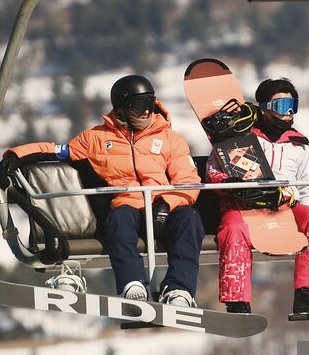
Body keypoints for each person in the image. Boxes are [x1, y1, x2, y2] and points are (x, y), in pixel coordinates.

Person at [15, 74, 204, 307]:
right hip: (128, 205)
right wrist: (14, 156)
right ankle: (132, 283)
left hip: (163, 207)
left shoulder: (170, 139)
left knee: (190, 220)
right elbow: (57, 150)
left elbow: (188, 180)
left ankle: (179, 290)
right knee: (118, 219)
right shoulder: (97, 138)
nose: (147, 112)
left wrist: (167, 203)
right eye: (139, 105)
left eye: (150, 104)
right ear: (123, 108)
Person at [205, 78, 309, 316]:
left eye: (292, 105)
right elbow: (212, 171)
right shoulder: (240, 138)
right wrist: (228, 184)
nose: (287, 113)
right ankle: (237, 301)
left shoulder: (298, 143)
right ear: (264, 108)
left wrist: (298, 202)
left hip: (283, 205)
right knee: (233, 229)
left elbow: (305, 186)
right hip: (245, 206)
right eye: (280, 105)